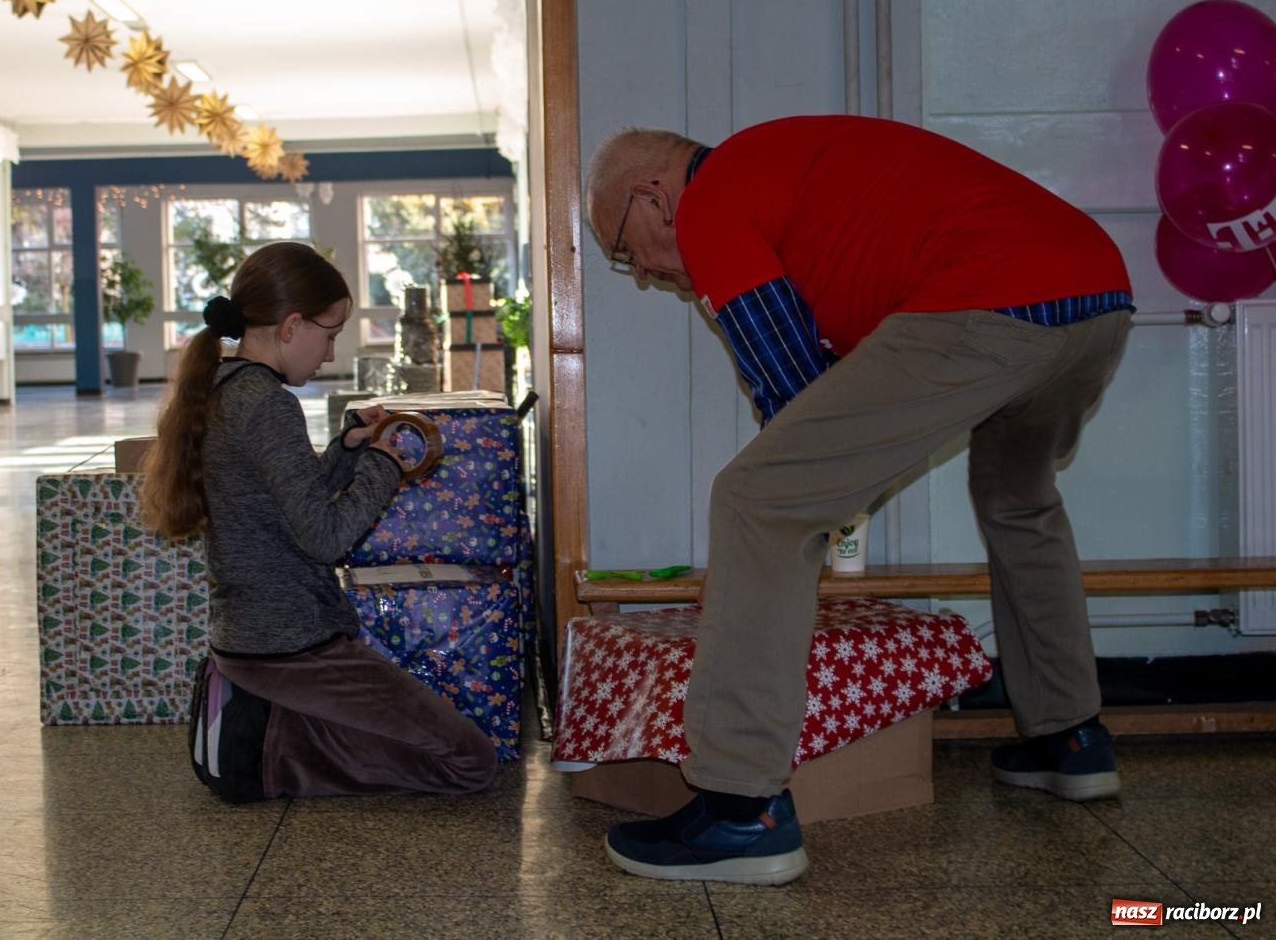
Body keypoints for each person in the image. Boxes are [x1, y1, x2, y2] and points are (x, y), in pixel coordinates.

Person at [584, 116, 1133, 884]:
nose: (641, 273)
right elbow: (832, 381)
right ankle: (1070, 740)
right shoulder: (785, 172)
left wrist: (784, 517)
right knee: (1019, 500)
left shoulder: (712, 198)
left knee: (755, 501)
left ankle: (740, 810)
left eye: (623, 249)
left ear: (653, 196)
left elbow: (789, 390)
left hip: (991, 296)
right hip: (1097, 295)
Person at [141, 241, 497, 802]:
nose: (330, 354)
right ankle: (266, 754)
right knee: (471, 762)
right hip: (293, 647)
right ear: (291, 326)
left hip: (248, 640)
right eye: (329, 335)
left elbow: (285, 504)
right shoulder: (267, 403)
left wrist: (348, 449)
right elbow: (326, 538)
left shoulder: (226, 387)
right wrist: (383, 465)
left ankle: (264, 720)